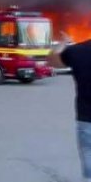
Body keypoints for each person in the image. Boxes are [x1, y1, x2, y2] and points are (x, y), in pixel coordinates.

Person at [48, 33, 91, 179]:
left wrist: (62, 44)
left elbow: (52, 61)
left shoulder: (77, 51)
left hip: (86, 117)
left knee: (88, 153)